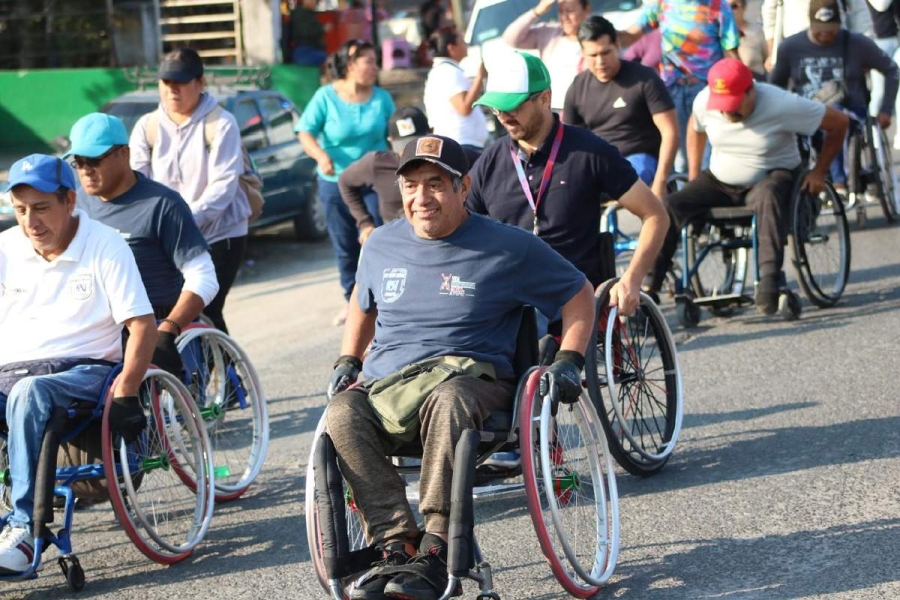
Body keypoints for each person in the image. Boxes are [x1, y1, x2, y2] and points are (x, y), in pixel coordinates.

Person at [325, 134, 595, 600]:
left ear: (463, 186)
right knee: (342, 414)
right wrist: (349, 357)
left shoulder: (508, 246)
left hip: (475, 385)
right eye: (411, 186)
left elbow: (579, 293)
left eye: (435, 184)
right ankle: (395, 543)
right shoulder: (382, 244)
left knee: (447, 399)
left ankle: (437, 545)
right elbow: (362, 303)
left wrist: (570, 358)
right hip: (391, 387)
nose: (421, 198)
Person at [0, 154, 156, 572]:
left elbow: (142, 325)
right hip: (12, 370)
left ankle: (24, 530)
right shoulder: (6, 247)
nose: (31, 222)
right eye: (20, 211)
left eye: (42, 208)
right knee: (20, 388)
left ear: (70, 201)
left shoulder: (104, 243)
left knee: (28, 393)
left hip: (83, 370)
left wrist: (127, 388)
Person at [468, 51, 669, 314]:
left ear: (544, 98)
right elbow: (461, 226)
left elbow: (655, 215)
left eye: (513, 106)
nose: (503, 116)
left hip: (574, 298)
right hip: (511, 301)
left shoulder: (590, 152)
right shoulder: (490, 162)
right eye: (496, 108)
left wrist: (631, 279)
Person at [644, 58, 849, 313]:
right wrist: (694, 174)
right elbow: (695, 128)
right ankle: (649, 290)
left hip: (772, 175)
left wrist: (819, 172)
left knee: (768, 195)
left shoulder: (781, 103)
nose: (727, 112)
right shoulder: (704, 101)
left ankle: (770, 281)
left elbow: (839, 123)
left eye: (734, 104)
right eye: (722, 105)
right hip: (721, 180)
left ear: (752, 90)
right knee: (672, 205)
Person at [68, 113, 220, 375]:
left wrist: (168, 329)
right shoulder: (75, 205)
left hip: (153, 322)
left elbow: (204, 277)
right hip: (96, 330)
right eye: (78, 162)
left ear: (124, 154)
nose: (85, 170)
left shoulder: (163, 204)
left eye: (93, 160)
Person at [130, 47, 249, 335]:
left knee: (203, 307)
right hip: (167, 239)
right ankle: (195, 375)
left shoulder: (221, 123)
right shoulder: (147, 126)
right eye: (166, 83)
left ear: (200, 83)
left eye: (180, 83)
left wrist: (183, 222)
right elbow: (136, 182)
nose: (172, 91)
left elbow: (223, 185)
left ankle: (229, 377)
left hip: (221, 233)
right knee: (167, 309)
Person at [296, 39, 395, 325]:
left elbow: (393, 135)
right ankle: (351, 302)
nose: (375, 67)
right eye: (370, 62)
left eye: (376, 62)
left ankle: (385, 300)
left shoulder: (381, 98)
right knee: (345, 245)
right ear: (351, 66)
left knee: (380, 237)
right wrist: (320, 156)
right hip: (335, 180)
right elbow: (305, 131)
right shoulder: (325, 96)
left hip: (374, 183)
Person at [769, 0, 899, 191]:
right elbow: (775, 87)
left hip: (849, 110)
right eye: (820, 29)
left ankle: (839, 180)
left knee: (834, 117)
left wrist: (886, 109)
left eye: (831, 29)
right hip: (807, 110)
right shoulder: (791, 47)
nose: (825, 34)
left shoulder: (856, 43)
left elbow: (892, 70)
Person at [564, 16, 678, 200]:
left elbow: (670, 132)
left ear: (617, 45)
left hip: (641, 158)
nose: (600, 61)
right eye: (593, 55)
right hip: (599, 162)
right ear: (583, 54)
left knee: (617, 182)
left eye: (605, 52)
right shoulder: (578, 87)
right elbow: (569, 142)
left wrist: (660, 181)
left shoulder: (644, 78)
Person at [618, 0, 741, 173]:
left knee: (707, 158)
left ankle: (704, 196)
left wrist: (743, 90)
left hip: (707, 92)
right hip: (672, 91)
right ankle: (684, 196)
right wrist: (604, 34)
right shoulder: (661, 4)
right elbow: (629, 37)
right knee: (680, 159)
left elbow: (731, 53)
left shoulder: (718, 6)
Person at [338, 107, 430, 245]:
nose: (412, 153)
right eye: (404, 148)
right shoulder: (377, 163)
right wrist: (365, 223)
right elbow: (345, 181)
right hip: (396, 243)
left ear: (432, 134)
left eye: (417, 145)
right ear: (390, 141)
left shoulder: (448, 160)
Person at [502, 0, 591, 111]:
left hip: (588, 109)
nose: (565, 17)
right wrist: (537, 11)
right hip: (555, 110)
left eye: (570, 11)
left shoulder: (598, 36)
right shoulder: (548, 33)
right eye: (560, 11)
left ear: (586, 9)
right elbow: (511, 38)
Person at [422, 26, 490, 163]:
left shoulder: (443, 71)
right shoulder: (448, 72)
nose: (466, 45)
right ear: (451, 48)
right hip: (463, 145)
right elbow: (464, 107)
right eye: (462, 41)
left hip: (463, 145)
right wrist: (479, 77)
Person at [763, 0, 873, 69]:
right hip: (797, 46)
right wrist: (772, 52)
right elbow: (770, 11)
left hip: (835, 41)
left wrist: (862, 51)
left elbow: (859, 11)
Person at [732, 0, 768, 78]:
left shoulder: (756, 31)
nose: (729, 11)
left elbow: (768, 60)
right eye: (725, 7)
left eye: (733, 6)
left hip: (755, 81)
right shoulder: (715, 34)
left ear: (744, 7)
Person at [286, 0, 327, 67]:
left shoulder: (310, 14)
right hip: (304, 50)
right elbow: (304, 32)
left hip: (313, 49)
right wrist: (322, 29)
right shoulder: (298, 14)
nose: (314, 2)